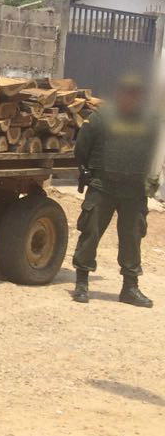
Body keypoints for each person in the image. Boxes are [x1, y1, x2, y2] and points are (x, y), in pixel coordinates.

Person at [72, 72, 160, 307]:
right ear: (119, 94)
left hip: (133, 191)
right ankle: (82, 283)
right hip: (103, 187)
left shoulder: (150, 121)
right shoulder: (101, 119)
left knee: (132, 238)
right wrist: (88, 172)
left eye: (135, 94)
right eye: (126, 93)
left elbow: (154, 152)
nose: (130, 98)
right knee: (90, 232)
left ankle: (130, 288)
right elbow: (81, 149)